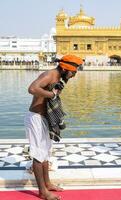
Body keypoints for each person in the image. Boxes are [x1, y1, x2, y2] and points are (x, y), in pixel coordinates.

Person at [24, 54, 83, 200]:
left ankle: (47, 184)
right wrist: (51, 95)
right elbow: (32, 88)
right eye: (73, 72)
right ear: (64, 68)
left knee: (45, 154)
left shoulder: (59, 78)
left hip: (45, 119)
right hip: (36, 118)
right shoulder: (50, 74)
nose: (74, 75)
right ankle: (42, 192)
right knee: (38, 155)